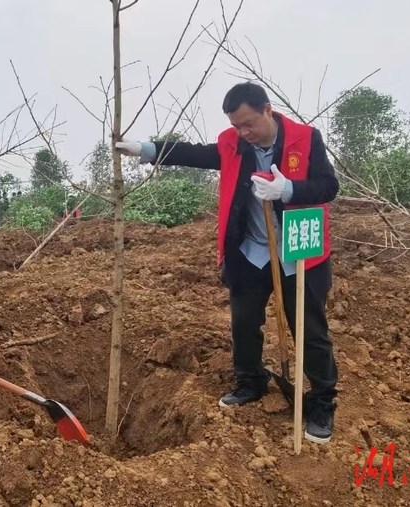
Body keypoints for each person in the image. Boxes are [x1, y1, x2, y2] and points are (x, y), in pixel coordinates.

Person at [115, 82, 340, 444]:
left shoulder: (305, 138)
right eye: (237, 125)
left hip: (299, 249)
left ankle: (322, 400)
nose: (243, 132)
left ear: (268, 109)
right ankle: (251, 380)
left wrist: (288, 191)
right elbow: (196, 154)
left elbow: (328, 187)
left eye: (248, 123)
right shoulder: (233, 142)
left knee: (309, 328)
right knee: (243, 322)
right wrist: (146, 149)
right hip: (251, 249)